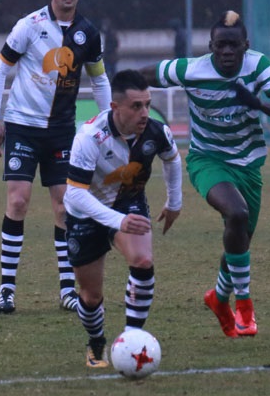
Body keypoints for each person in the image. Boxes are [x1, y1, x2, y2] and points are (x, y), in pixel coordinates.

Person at [140, 10, 270, 338]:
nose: (227, 52)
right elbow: (141, 75)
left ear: (246, 45)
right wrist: (120, 99)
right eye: (221, 46)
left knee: (240, 239)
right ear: (210, 46)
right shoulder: (190, 69)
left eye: (234, 46)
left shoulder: (258, 65)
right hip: (207, 160)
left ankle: (218, 297)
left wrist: (258, 103)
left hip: (249, 164)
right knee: (236, 213)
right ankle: (244, 308)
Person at [0, 0, 112, 314]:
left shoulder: (89, 33)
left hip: (61, 132)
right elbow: (0, 70)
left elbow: (99, 79)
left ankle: (67, 291)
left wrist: (106, 126)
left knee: (64, 207)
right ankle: (7, 289)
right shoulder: (30, 26)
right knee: (19, 201)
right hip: (23, 126)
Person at [64, 70, 182, 367]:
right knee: (90, 296)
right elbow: (76, 195)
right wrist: (117, 221)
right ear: (115, 108)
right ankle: (96, 341)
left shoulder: (156, 131)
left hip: (129, 202)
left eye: (147, 104)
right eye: (136, 106)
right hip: (85, 213)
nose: (145, 112)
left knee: (142, 260)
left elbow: (172, 159)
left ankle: (132, 338)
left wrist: (174, 202)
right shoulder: (90, 137)